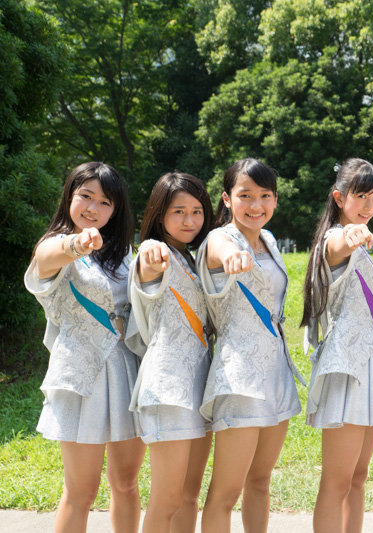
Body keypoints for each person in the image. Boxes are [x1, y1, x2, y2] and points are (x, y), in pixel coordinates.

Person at [24, 162, 143, 533]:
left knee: (126, 483)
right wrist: (77, 243)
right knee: (81, 491)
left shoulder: (124, 255)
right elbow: (46, 258)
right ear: (69, 196)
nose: (93, 208)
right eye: (85, 196)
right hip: (80, 377)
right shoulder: (55, 246)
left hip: (127, 372)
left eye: (105, 202)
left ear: (116, 210)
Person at [196, 158, 304, 532]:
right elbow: (221, 250)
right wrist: (233, 257)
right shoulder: (220, 239)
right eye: (245, 195)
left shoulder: (270, 241)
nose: (256, 205)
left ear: (275, 199)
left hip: (276, 372)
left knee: (260, 482)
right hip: (239, 377)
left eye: (265, 195)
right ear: (227, 199)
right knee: (226, 492)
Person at [301, 159, 373, 533]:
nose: (369, 206)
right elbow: (338, 244)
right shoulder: (334, 239)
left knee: (358, 477)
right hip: (346, 367)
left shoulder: (359, 241)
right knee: (337, 481)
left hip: (370, 365)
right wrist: (353, 234)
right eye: (361, 196)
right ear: (339, 197)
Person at [126, 172, 213, 533]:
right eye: (178, 211)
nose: (189, 220)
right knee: (166, 501)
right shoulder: (155, 253)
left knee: (189, 497)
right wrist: (149, 249)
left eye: (196, 211)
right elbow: (149, 261)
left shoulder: (192, 259)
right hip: (167, 388)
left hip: (199, 385)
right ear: (159, 214)